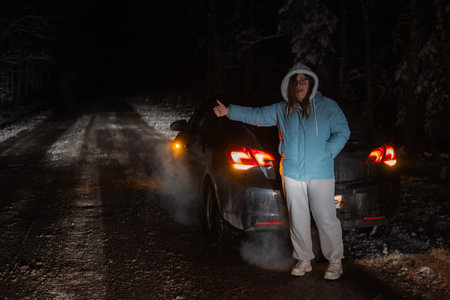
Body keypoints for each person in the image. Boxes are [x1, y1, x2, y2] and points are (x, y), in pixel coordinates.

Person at [213, 62, 350, 280]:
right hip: (292, 171)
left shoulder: (328, 107)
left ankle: (335, 262)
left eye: (304, 80)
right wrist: (230, 111)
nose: (300, 84)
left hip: (320, 172)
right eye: (296, 81)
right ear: (289, 85)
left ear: (311, 83)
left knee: (326, 217)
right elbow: (257, 115)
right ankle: (304, 259)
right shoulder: (282, 108)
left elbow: (343, 131)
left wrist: (328, 151)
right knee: (298, 219)